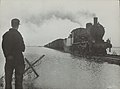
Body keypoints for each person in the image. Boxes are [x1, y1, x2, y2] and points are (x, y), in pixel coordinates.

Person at [2, 18, 25, 89]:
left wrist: (8, 55)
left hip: (9, 60)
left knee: (8, 81)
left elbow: (3, 47)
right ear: (18, 25)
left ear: (11, 24)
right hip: (18, 60)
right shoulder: (18, 35)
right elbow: (23, 48)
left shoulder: (5, 35)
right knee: (18, 81)